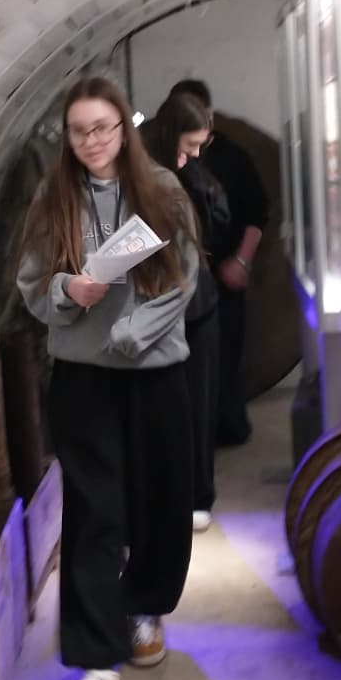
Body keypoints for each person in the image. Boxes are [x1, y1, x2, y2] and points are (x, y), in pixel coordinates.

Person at [17, 76, 200, 680]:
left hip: (154, 373)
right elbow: (32, 285)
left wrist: (133, 332)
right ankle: (97, 662)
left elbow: (184, 279)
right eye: (79, 131)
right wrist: (68, 291)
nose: (91, 140)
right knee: (94, 513)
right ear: (67, 137)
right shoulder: (53, 198)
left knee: (161, 503)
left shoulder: (162, 190)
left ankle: (143, 607)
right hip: (84, 377)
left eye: (101, 127)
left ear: (123, 127)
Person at [142, 92, 231, 533]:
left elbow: (217, 229)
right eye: (190, 144)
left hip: (198, 307)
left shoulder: (195, 176)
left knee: (200, 403)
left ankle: (198, 496)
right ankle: (162, 497)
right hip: (157, 308)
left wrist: (193, 178)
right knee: (159, 411)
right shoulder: (142, 174)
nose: (195, 154)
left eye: (201, 145)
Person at [169, 79, 270, 446]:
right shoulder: (161, 161)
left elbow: (256, 214)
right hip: (180, 285)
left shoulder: (232, 156)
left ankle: (227, 428)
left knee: (224, 360)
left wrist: (241, 262)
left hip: (221, 278)